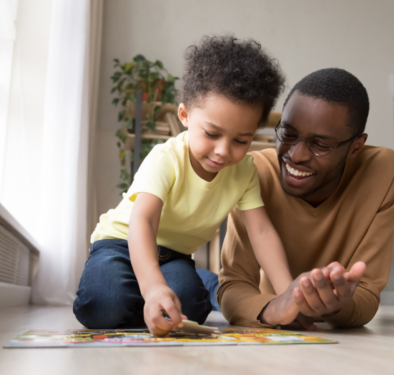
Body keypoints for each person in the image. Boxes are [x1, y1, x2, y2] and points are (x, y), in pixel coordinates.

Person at [73, 35, 292, 336]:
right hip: (121, 243)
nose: (223, 151)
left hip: (174, 255)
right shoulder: (166, 158)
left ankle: (165, 285)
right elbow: (144, 221)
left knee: (189, 304)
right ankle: (142, 285)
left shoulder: (245, 171)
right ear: (185, 115)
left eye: (242, 140)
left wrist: (289, 295)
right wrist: (152, 290)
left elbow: (262, 233)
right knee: (104, 307)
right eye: (212, 134)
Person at [216, 68, 394, 329]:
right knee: (195, 287)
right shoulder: (254, 172)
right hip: (268, 300)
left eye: (320, 144)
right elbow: (232, 287)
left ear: (355, 147)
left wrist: (338, 304)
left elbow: (367, 297)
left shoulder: (384, 171)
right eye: (288, 134)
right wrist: (275, 308)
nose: (296, 155)